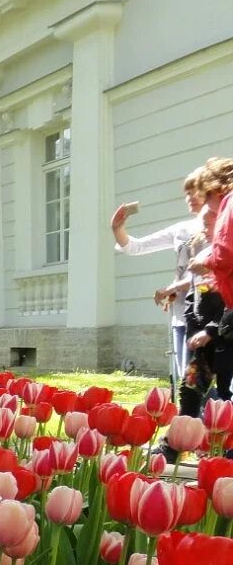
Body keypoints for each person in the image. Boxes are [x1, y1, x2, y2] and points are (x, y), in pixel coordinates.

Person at [112, 170, 204, 389]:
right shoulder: (181, 229)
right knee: (185, 380)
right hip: (181, 312)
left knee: (203, 384)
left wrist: (172, 287)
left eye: (195, 191)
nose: (189, 197)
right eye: (187, 193)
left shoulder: (220, 226)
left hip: (206, 315)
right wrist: (117, 229)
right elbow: (137, 247)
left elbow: (206, 273)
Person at [187, 157, 233, 400]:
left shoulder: (229, 203)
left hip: (222, 331)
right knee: (195, 389)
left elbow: (225, 256)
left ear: (216, 189)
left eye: (207, 198)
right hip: (211, 330)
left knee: (225, 392)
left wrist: (205, 264)